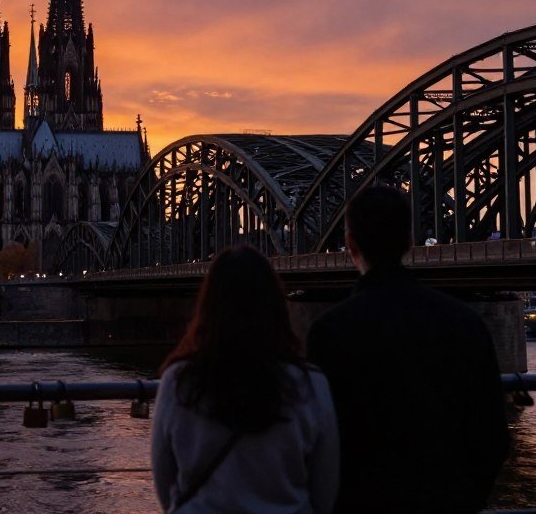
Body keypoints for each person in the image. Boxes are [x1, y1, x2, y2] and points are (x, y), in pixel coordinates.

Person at [306, 185, 510, 514]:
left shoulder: (330, 332)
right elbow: (493, 438)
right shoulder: (466, 323)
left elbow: (319, 446)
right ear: (409, 242)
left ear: (351, 245)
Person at [151, 245, 339, 513]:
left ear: (207, 306)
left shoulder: (177, 383)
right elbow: (324, 494)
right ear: (276, 306)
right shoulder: (311, 385)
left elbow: (166, 488)